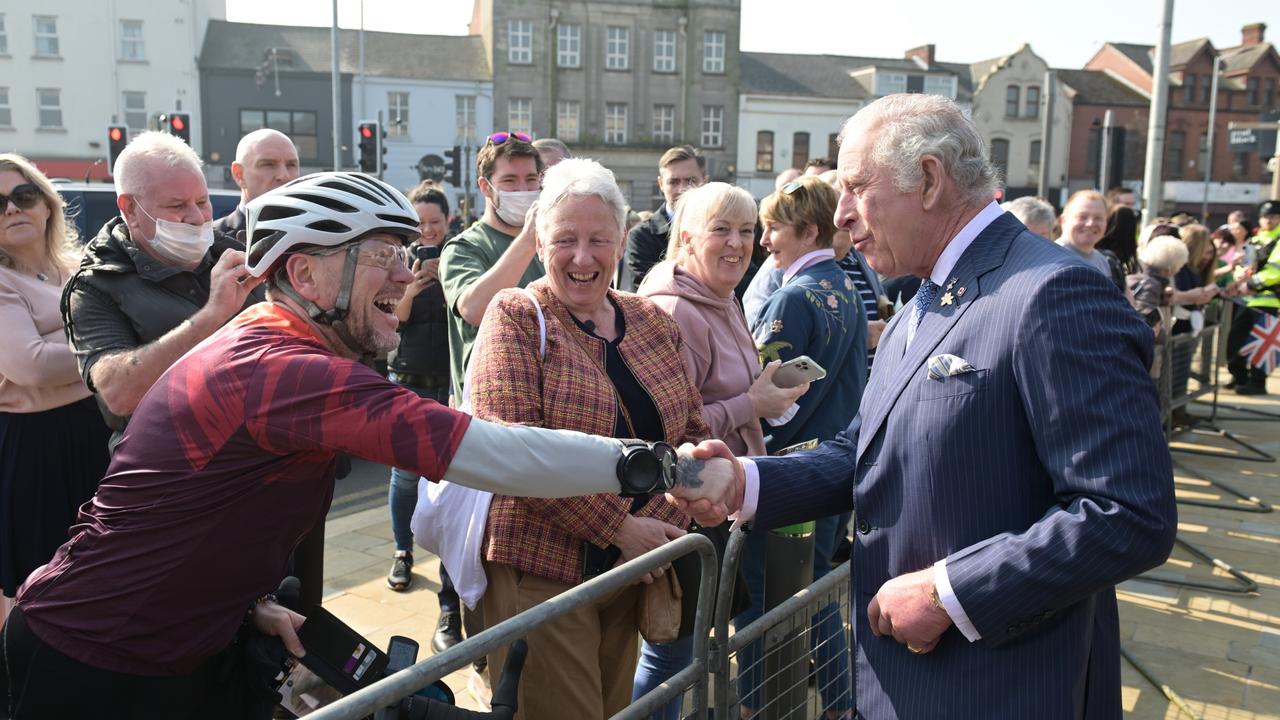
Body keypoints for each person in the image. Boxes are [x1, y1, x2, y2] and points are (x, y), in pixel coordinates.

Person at [1, 171, 734, 719]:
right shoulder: (282, 369)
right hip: (95, 658)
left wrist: (245, 600)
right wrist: (655, 463)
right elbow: (493, 451)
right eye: (381, 253)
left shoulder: (281, 351)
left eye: (408, 252)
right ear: (304, 273)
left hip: (177, 642)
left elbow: (196, 508)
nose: (407, 272)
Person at [673, 94, 1177, 718]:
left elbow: (1127, 513)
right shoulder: (921, 299)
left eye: (857, 187)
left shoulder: (1051, 293)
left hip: (996, 688)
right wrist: (741, 480)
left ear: (931, 179)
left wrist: (951, 593)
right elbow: (863, 453)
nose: (844, 216)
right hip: (903, 683)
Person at [468, 159, 709, 720]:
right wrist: (621, 528)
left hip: (635, 571)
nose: (582, 257)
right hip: (541, 572)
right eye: (565, 240)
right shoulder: (517, 316)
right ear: (539, 241)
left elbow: (693, 434)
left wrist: (667, 526)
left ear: (623, 239)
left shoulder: (650, 319)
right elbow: (510, 451)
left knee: (611, 710)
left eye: (599, 239)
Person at [636, 182, 807, 720]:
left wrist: (764, 390)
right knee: (671, 653)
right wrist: (749, 403)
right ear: (686, 238)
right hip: (684, 507)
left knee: (697, 645)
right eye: (721, 230)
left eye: (748, 231)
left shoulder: (723, 294)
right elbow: (662, 433)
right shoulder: (672, 310)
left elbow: (724, 393)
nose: (738, 243)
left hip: (722, 497)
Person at [738, 175, 865, 719]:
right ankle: (840, 702)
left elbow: (762, 388)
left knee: (765, 601)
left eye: (772, 229)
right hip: (833, 468)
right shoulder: (846, 288)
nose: (765, 242)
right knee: (813, 599)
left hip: (789, 472)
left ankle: (751, 706)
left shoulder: (793, 297)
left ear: (808, 230)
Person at [61, 131, 264, 449]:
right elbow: (118, 394)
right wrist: (212, 316)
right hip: (177, 479)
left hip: (265, 467)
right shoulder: (95, 287)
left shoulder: (233, 255)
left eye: (202, 201)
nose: (197, 218)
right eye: (177, 206)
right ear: (130, 209)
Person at [0, 155, 111, 622]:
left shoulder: (79, 267)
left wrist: (50, 340)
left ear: (46, 205)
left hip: (95, 434)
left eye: (22, 197)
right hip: (33, 450)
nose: (11, 209)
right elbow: (32, 367)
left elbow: (48, 359)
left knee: (102, 573)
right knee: (42, 585)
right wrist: (108, 351)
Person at [440, 131, 545, 401]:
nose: (524, 191)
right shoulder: (464, 247)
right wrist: (527, 240)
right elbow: (473, 309)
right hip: (489, 408)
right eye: (510, 181)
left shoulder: (550, 243)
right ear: (486, 187)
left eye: (531, 180)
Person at [383, 183, 451, 598]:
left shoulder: (460, 256)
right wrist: (412, 286)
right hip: (408, 380)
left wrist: (449, 280)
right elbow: (395, 320)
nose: (427, 231)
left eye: (435, 223)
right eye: (420, 223)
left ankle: (449, 557)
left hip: (449, 382)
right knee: (405, 476)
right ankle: (403, 552)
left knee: (448, 479)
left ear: (448, 221)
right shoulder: (397, 258)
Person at [619, 145, 708, 292]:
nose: (682, 189)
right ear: (661, 184)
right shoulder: (641, 236)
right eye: (673, 182)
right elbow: (646, 294)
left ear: (704, 182)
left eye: (691, 181)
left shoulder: (723, 229)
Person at [1225, 200, 1280, 394]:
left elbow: (1275, 272)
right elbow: (1244, 263)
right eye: (1265, 216)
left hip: (1270, 299)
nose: (1268, 220)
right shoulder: (1256, 239)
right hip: (1246, 299)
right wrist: (1239, 274)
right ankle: (1239, 376)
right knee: (1236, 341)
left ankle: (1257, 382)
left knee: (1264, 344)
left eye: (1273, 216)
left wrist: (1250, 283)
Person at [213, 128, 301, 238]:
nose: (284, 175)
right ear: (239, 174)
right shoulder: (210, 241)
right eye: (268, 164)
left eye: (291, 165)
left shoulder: (319, 235)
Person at [1056, 190, 1123, 288]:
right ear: (1063, 220)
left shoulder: (1102, 261)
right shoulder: (1052, 259)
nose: (1090, 223)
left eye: (1098, 218)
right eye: (1082, 217)